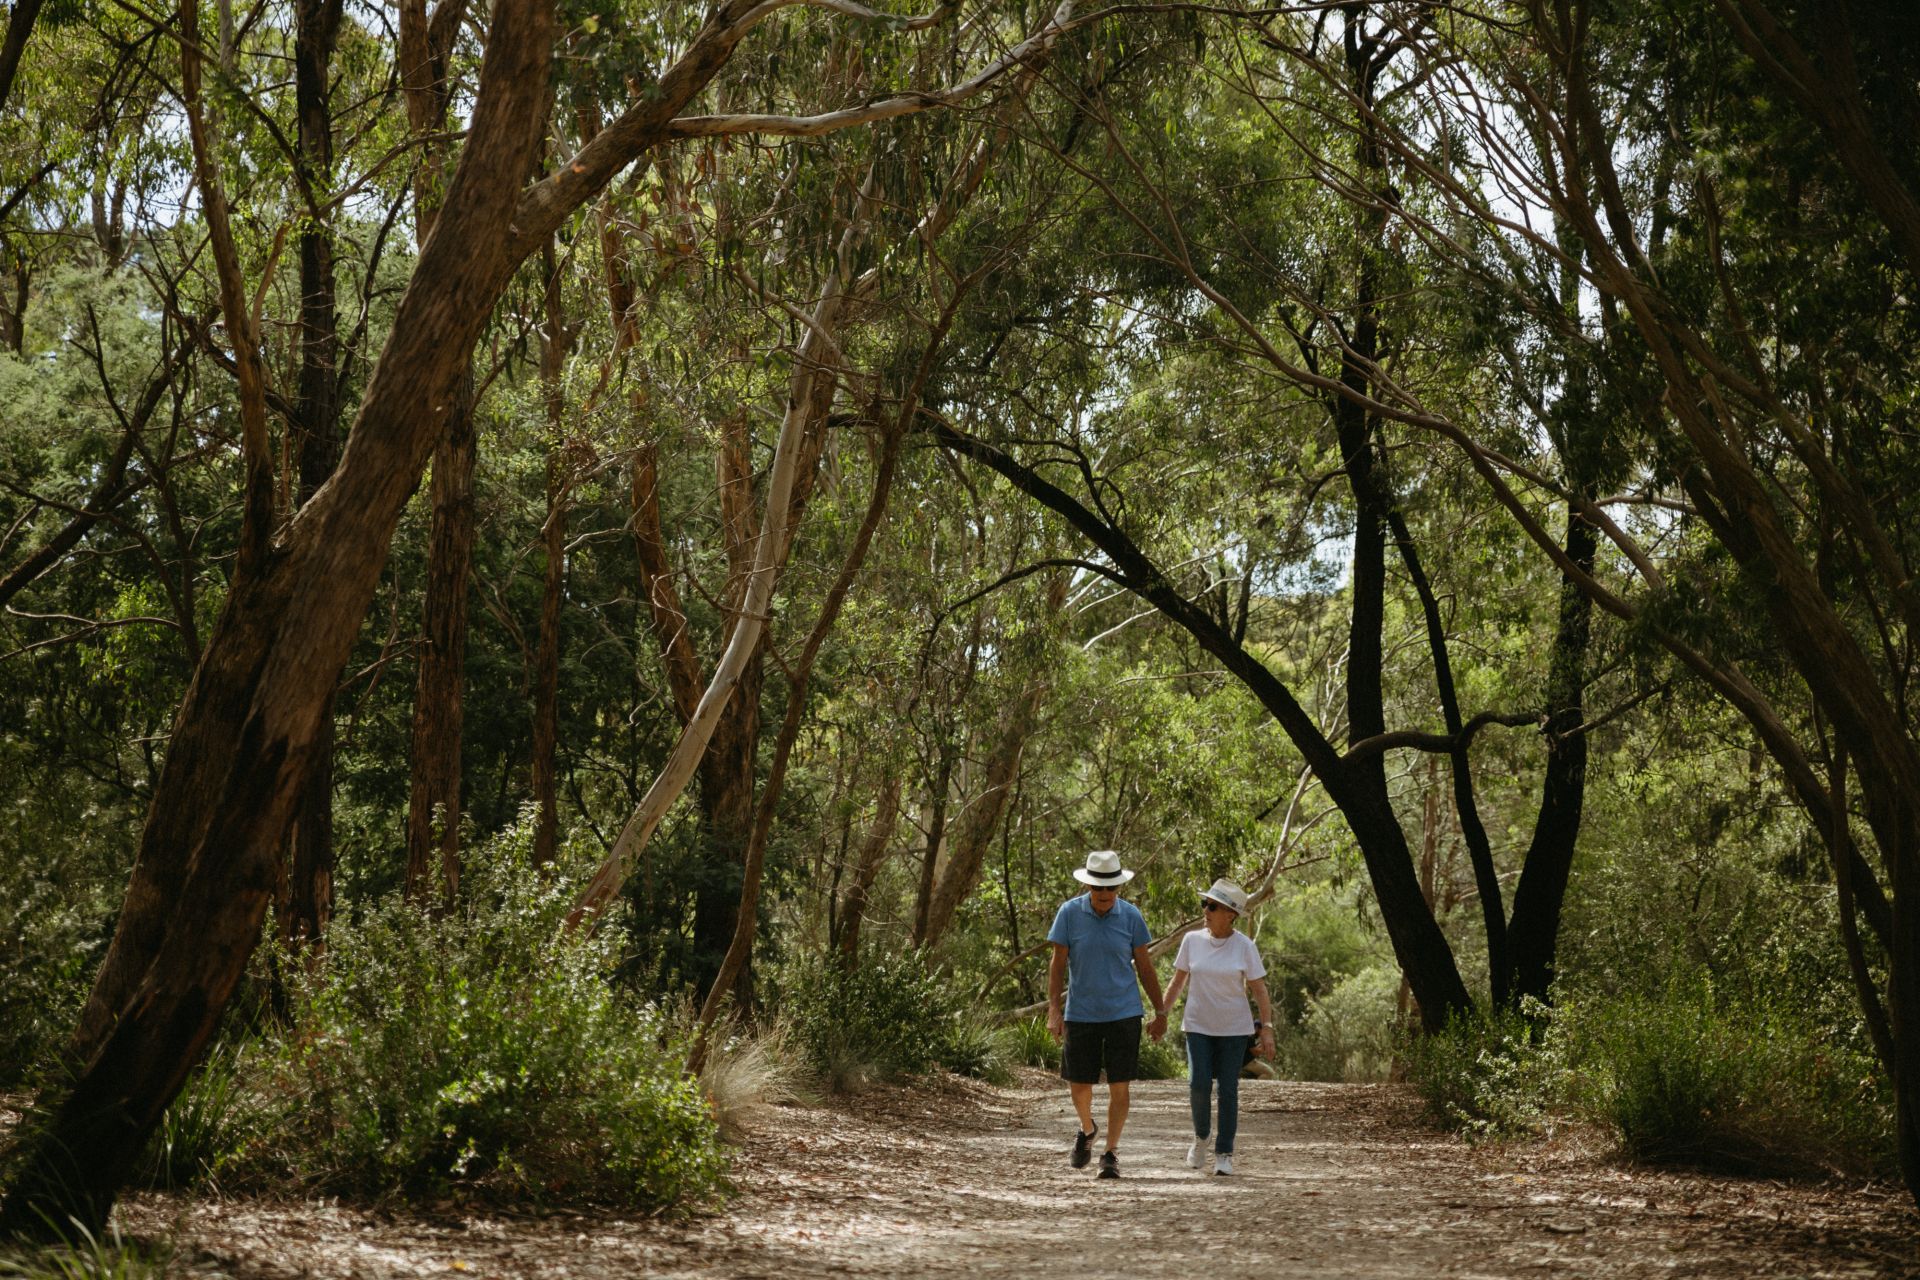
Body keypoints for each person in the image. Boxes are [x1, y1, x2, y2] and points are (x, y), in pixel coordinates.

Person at [1046, 849, 1167, 1180]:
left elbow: (1145, 965)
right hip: (1081, 1012)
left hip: (1123, 1012)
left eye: (1110, 888)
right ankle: (1087, 1129)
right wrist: (1054, 1009)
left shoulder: (1131, 917)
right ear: (1088, 886)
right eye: (1098, 888)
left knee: (1119, 1086)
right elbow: (1057, 964)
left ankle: (1110, 1153)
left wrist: (1160, 1011)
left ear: (1118, 889)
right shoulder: (1069, 914)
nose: (1103, 894)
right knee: (1078, 1084)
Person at [1161, 878, 1274, 1176]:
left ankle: (1224, 1152)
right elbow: (1177, 982)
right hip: (1197, 1026)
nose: (1206, 910)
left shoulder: (1244, 947)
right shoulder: (1191, 941)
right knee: (1197, 1084)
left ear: (1231, 915)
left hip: (1234, 1030)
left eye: (1213, 906)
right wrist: (1161, 1013)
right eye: (1205, 904)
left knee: (1228, 1090)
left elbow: (1260, 990)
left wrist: (1267, 1028)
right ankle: (1201, 1137)